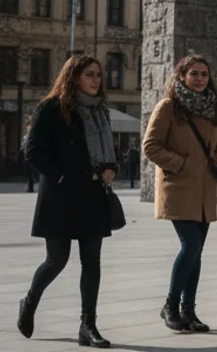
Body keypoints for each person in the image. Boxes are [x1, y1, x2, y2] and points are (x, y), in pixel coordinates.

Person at [18, 55, 116, 348]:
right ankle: (30, 300)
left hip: (92, 193)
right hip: (61, 196)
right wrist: (61, 175)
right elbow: (32, 151)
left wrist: (112, 168)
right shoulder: (52, 108)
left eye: (98, 74)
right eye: (90, 74)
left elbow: (106, 150)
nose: (97, 79)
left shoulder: (101, 110)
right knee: (56, 260)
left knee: (92, 261)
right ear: (74, 77)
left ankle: (88, 325)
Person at [143, 54, 217, 333]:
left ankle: (188, 310)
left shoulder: (213, 108)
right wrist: (180, 163)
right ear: (181, 76)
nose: (200, 79)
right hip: (178, 186)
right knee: (190, 247)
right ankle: (170, 304)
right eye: (194, 74)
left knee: (197, 252)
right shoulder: (168, 106)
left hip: (205, 188)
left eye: (204, 74)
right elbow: (151, 146)